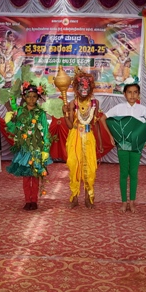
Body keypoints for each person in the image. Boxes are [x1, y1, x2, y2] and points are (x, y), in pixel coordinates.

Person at [105, 79, 146, 213]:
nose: (132, 95)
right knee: (124, 173)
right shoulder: (119, 108)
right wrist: (111, 136)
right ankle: (124, 202)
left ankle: (132, 202)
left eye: (135, 92)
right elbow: (103, 118)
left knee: (133, 173)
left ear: (139, 94)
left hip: (136, 146)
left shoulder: (142, 109)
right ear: (124, 94)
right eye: (129, 92)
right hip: (123, 145)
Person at [63, 70, 114, 209]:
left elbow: (96, 124)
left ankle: (88, 197)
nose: (84, 89)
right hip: (75, 138)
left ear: (91, 87)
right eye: (81, 86)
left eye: (87, 86)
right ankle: (74, 197)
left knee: (90, 168)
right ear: (76, 87)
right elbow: (69, 126)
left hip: (89, 138)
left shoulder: (95, 103)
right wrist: (65, 113)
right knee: (74, 166)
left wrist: (100, 143)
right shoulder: (73, 103)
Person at [5, 82, 52, 210]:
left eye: (34, 97)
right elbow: (15, 129)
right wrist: (9, 123)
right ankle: (27, 200)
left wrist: (45, 149)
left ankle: (34, 201)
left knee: (35, 176)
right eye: (28, 96)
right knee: (26, 177)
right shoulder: (20, 111)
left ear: (38, 98)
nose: (31, 99)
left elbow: (45, 132)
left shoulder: (41, 113)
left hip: (37, 149)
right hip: (24, 150)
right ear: (24, 97)